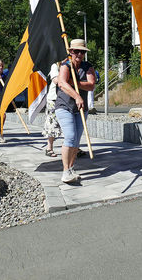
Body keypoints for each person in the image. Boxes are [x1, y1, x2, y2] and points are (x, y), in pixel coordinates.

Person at [55, 39, 96, 184]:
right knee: (70, 137)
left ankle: (71, 168)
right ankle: (65, 171)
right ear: (71, 52)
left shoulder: (87, 66)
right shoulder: (65, 65)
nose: (79, 54)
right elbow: (62, 83)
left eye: (82, 51)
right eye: (76, 51)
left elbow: (91, 85)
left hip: (81, 109)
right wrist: (77, 95)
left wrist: (74, 83)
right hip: (64, 106)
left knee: (76, 141)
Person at [42, 62, 63, 157]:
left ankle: (73, 147)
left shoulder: (72, 66)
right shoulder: (55, 66)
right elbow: (56, 80)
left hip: (66, 98)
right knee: (52, 123)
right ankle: (49, 147)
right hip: (53, 99)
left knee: (68, 123)